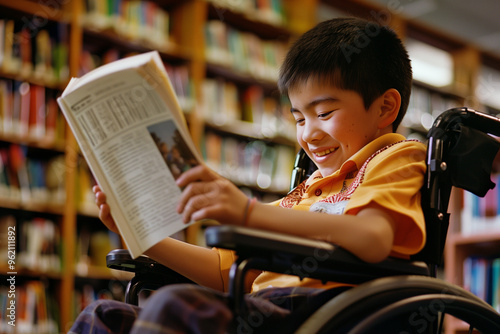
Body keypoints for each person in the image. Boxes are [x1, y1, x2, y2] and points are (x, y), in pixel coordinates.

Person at [69, 17, 426, 334]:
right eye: (300, 119)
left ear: (385, 107)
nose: (309, 134)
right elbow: (226, 273)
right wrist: (141, 237)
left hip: (329, 313)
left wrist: (249, 213)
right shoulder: (305, 191)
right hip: (266, 310)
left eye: (325, 112)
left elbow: (374, 238)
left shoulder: (395, 157)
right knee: (103, 315)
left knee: (173, 306)